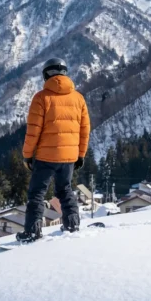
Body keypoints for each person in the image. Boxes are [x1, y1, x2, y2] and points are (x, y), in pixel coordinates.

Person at [17, 57, 90, 242]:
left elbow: (33, 131)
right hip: (69, 158)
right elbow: (84, 130)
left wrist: (27, 156)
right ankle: (72, 225)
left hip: (45, 157)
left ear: (45, 74)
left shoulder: (41, 98)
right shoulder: (79, 98)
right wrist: (81, 154)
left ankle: (33, 232)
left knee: (37, 193)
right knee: (65, 190)